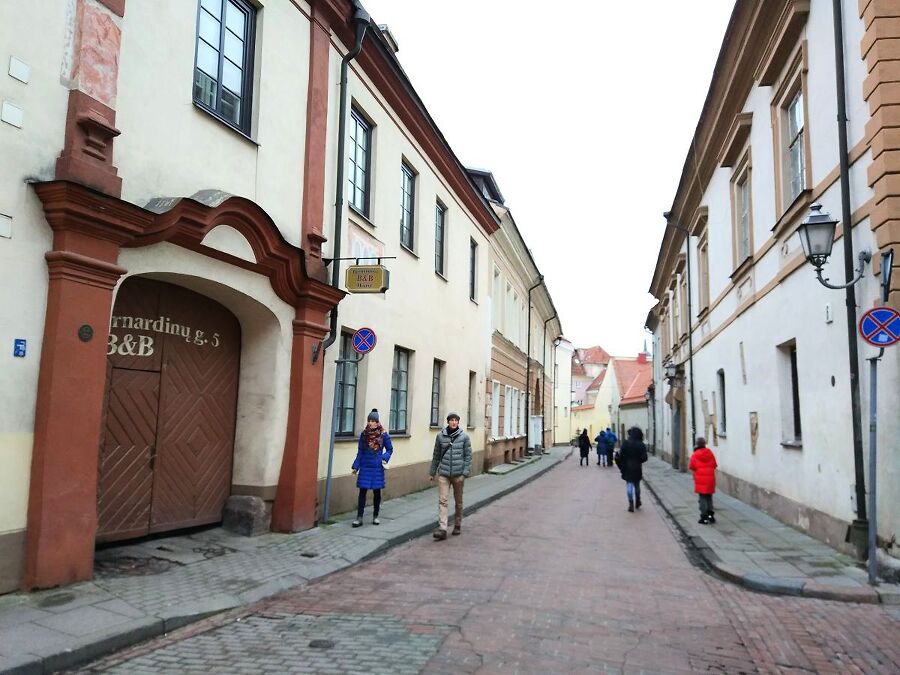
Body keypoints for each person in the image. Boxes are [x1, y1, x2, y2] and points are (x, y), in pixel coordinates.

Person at [429, 412, 472, 540]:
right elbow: (436, 455)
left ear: (458, 422)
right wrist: (432, 472)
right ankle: (442, 529)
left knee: (458, 501)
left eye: (456, 420)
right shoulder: (440, 437)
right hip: (444, 474)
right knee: (443, 501)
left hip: (458, 475)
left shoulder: (464, 437)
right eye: (451, 420)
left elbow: (468, 457)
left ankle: (458, 524)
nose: (454, 422)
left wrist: (464, 474)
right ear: (448, 422)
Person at [350, 409, 393, 527]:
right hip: (365, 466)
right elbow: (360, 452)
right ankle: (359, 518)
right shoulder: (364, 435)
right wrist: (356, 466)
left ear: (377, 422)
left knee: (377, 493)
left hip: (377, 467)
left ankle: (376, 516)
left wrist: (384, 458)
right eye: (369, 420)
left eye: (373, 421)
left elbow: (390, 449)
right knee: (362, 492)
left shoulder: (383, 435)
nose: (371, 423)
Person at [616, 427, 648, 512]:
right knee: (637, 485)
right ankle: (638, 501)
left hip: (627, 467)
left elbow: (621, 455)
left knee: (629, 485)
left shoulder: (626, 443)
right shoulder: (641, 444)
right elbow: (645, 458)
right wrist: (639, 460)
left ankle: (631, 503)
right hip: (637, 467)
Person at [689, 437, 718, 524]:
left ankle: (704, 517)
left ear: (697, 444)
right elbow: (714, 464)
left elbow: (691, 466)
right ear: (704, 444)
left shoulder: (695, 454)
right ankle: (711, 516)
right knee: (709, 497)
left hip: (700, 479)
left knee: (702, 498)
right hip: (710, 479)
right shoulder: (709, 453)